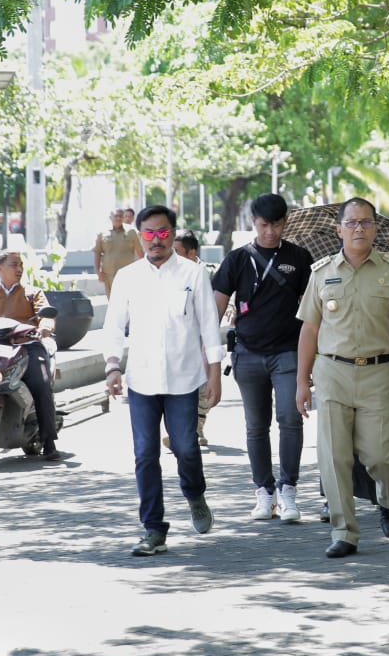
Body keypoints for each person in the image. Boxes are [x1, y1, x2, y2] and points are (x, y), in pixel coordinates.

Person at [296, 197, 389, 559]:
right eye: (351, 223)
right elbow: (309, 329)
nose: (358, 229)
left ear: (375, 228)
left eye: (366, 222)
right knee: (334, 457)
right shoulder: (321, 273)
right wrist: (302, 381)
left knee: (379, 455)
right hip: (332, 373)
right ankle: (344, 532)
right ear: (339, 229)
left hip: (379, 374)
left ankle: (388, 495)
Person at [103, 206, 224, 557]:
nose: (156, 240)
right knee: (145, 454)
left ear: (172, 233)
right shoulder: (128, 277)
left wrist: (215, 373)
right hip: (141, 379)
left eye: (163, 232)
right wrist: (112, 366)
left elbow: (208, 325)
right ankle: (153, 529)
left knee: (186, 447)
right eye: (149, 233)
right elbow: (114, 326)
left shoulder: (193, 274)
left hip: (184, 379)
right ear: (140, 236)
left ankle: (195, 494)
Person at [212, 193, 313, 522]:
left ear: (286, 222)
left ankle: (288, 490)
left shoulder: (299, 257)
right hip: (248, 353)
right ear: (253, 222)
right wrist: (207, 354)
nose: (270, 231)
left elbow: (312, 310)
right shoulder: (237, 259)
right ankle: (263, 491)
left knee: (290, 419)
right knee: (256, 426)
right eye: (264, 224)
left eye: (277, 224)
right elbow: (215, 308)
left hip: (288, 352)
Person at [0, 250, 61, 460]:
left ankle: (49, 440)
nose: (19, 269)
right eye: (14, 264)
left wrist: (45, 326)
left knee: (41, 383)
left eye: (20, 265)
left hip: (27, 346)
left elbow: (46, 315)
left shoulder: (32, 293)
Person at [172, 229, 215, 446]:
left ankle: (197, 427)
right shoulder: (169, 274)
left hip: (204, 340)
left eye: (177, 252)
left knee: (203, 386)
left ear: (192, 253)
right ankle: (181, 431)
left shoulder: (210, 273)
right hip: (178, 340)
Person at [94, 208, 143, 298]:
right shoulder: (102, 233)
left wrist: (143, 270)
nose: (118, 218)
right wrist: (98, 271)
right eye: (116, 216)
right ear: (110, 217)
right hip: (109, 274)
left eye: (121, 216)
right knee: (111, 299)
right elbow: (97, 253)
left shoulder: (131, 232)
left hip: (127, 274)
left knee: (127, 298)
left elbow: (140, 252)